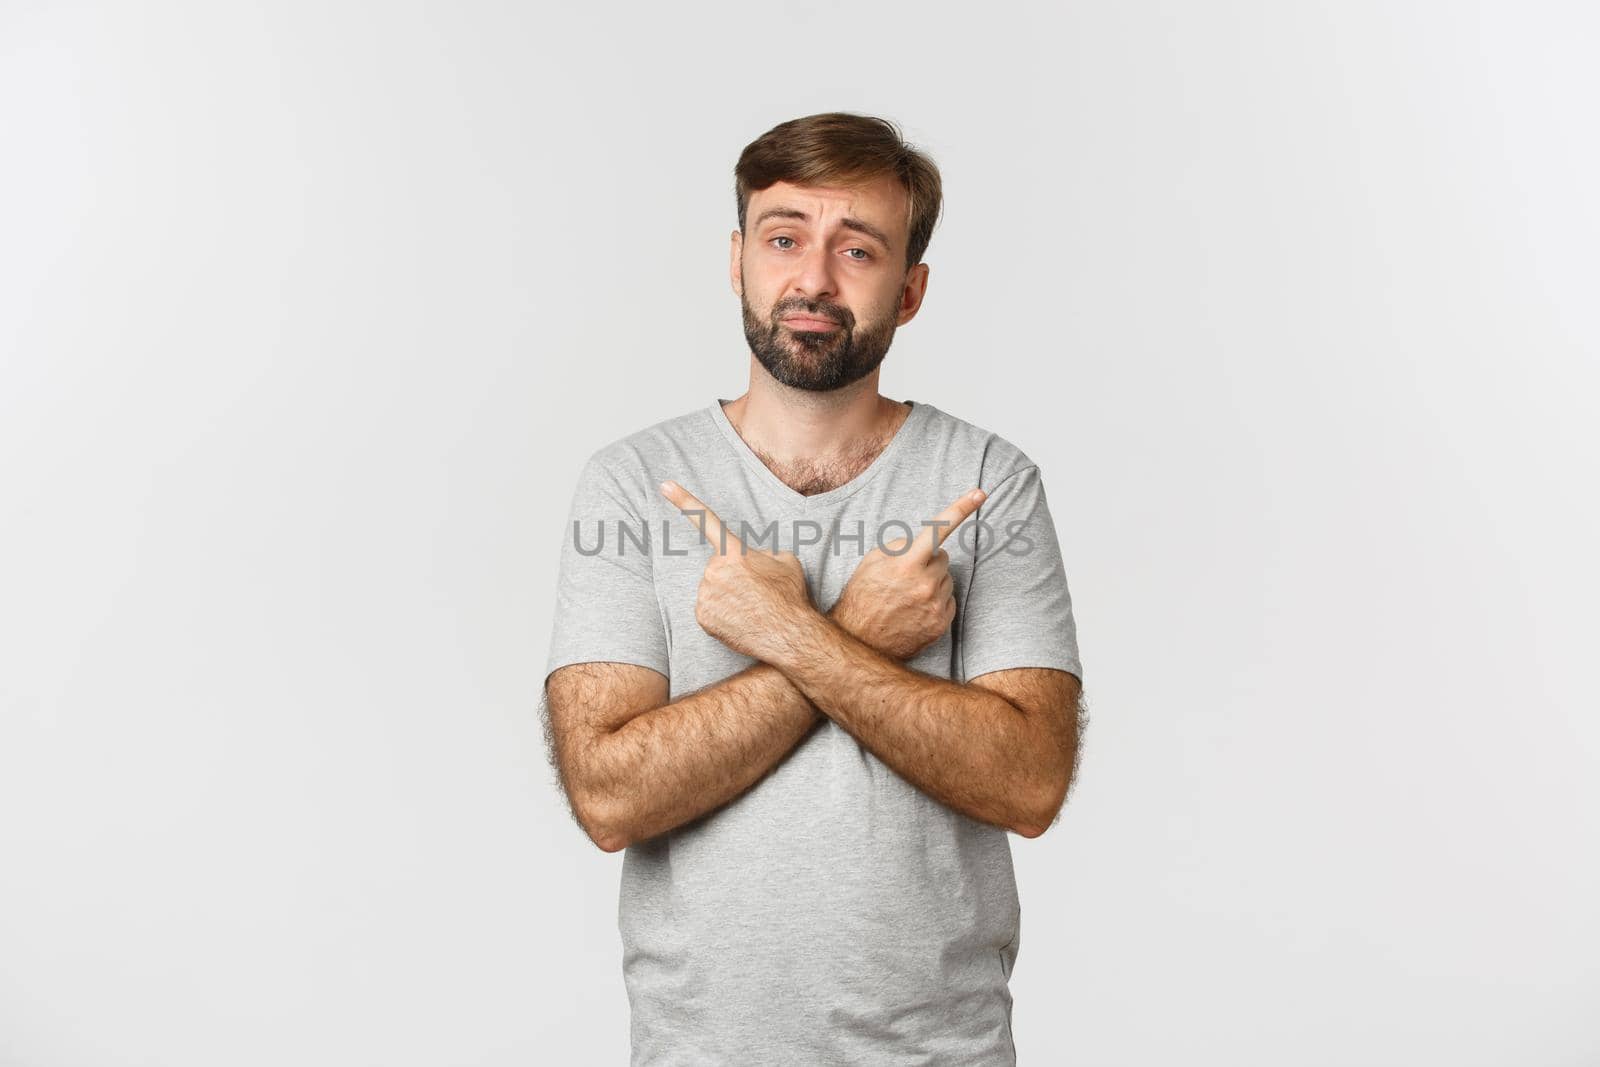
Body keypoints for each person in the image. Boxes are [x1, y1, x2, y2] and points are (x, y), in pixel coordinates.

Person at [541, 111, 1087, 1065]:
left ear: (910, 289)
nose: (814, 280)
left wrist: (793, 632)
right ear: (738, 260)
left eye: (859, 250)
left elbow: (1031, 782)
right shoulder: (631, 482)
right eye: (784, 238)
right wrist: (854, 630)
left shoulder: (989, 482)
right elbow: (609, 795)